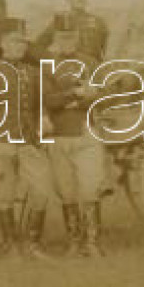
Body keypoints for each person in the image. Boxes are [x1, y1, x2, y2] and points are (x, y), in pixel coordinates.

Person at [0, 17, 56, 259]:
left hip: (29, 142)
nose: (20, 46)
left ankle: (33, 243)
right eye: (14, 41)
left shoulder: (33, 72)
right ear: (3, 43)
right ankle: (10, 245)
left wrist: (43, 118)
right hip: (2, 143)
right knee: (3, 195)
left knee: (42, 190)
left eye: (23, 42)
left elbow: (40, 105)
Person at [42, 15, 107, 258]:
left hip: (86, 132)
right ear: (55, 38)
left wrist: (91, 95)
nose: (66, 41)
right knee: (66, 191)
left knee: (90, 188)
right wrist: (77, 94)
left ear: (78, 37)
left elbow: (102, 93)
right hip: (58, 135)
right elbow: (48, 100)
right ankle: (74, 241)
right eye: (61, 36)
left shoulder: (90, 62)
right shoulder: (46, 65)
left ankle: (92, 242)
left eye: (71, 36)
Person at [35, 0, 109, 62]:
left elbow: (105, 52)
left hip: (92, 70)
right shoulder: (60, 22)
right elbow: (38, 47)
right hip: (69, 70)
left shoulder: (98, 22)